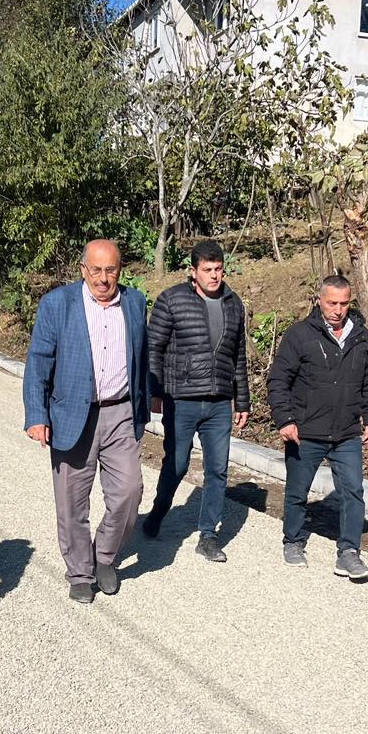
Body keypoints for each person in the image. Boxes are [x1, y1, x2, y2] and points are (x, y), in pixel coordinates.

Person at [22, 239, 150, 603]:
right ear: (83, 270)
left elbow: (142, 356)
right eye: (96, 270)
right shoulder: (58, 304)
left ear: (120, 270)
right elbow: (39, 361)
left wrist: (148, 397)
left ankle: (104, 557)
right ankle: (80, 571)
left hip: (121, 412)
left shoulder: (135, 302)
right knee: (72, 502)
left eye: (110, 269)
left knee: (128, 493)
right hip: (71, 415)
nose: (103, 278)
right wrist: (36, 414)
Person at [266, 274, 368, 581]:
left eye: (344, 303)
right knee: (297, 491)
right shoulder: (300, 335)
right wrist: (285, 419)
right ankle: (293, 540)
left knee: (353, 491)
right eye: (332, 303)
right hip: (306, 430)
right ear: (320, 300)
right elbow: (278, 381)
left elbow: (367, 382)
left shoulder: (360, 336)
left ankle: (349, 553)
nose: (338, 309)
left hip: (346, 431)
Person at [143, 239, 250, 561]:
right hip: (182, 399)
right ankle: (158, 512)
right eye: (207, 270)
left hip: (219, 402)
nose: (214, 276)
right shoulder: (172, 300)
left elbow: (239, 356)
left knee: (217, 470)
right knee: (176, 465)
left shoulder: (234, 304)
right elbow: (154, 349)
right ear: (194, 271)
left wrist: (242, 401)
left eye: (218, 269)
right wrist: (155, 391)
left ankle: (208, 535)